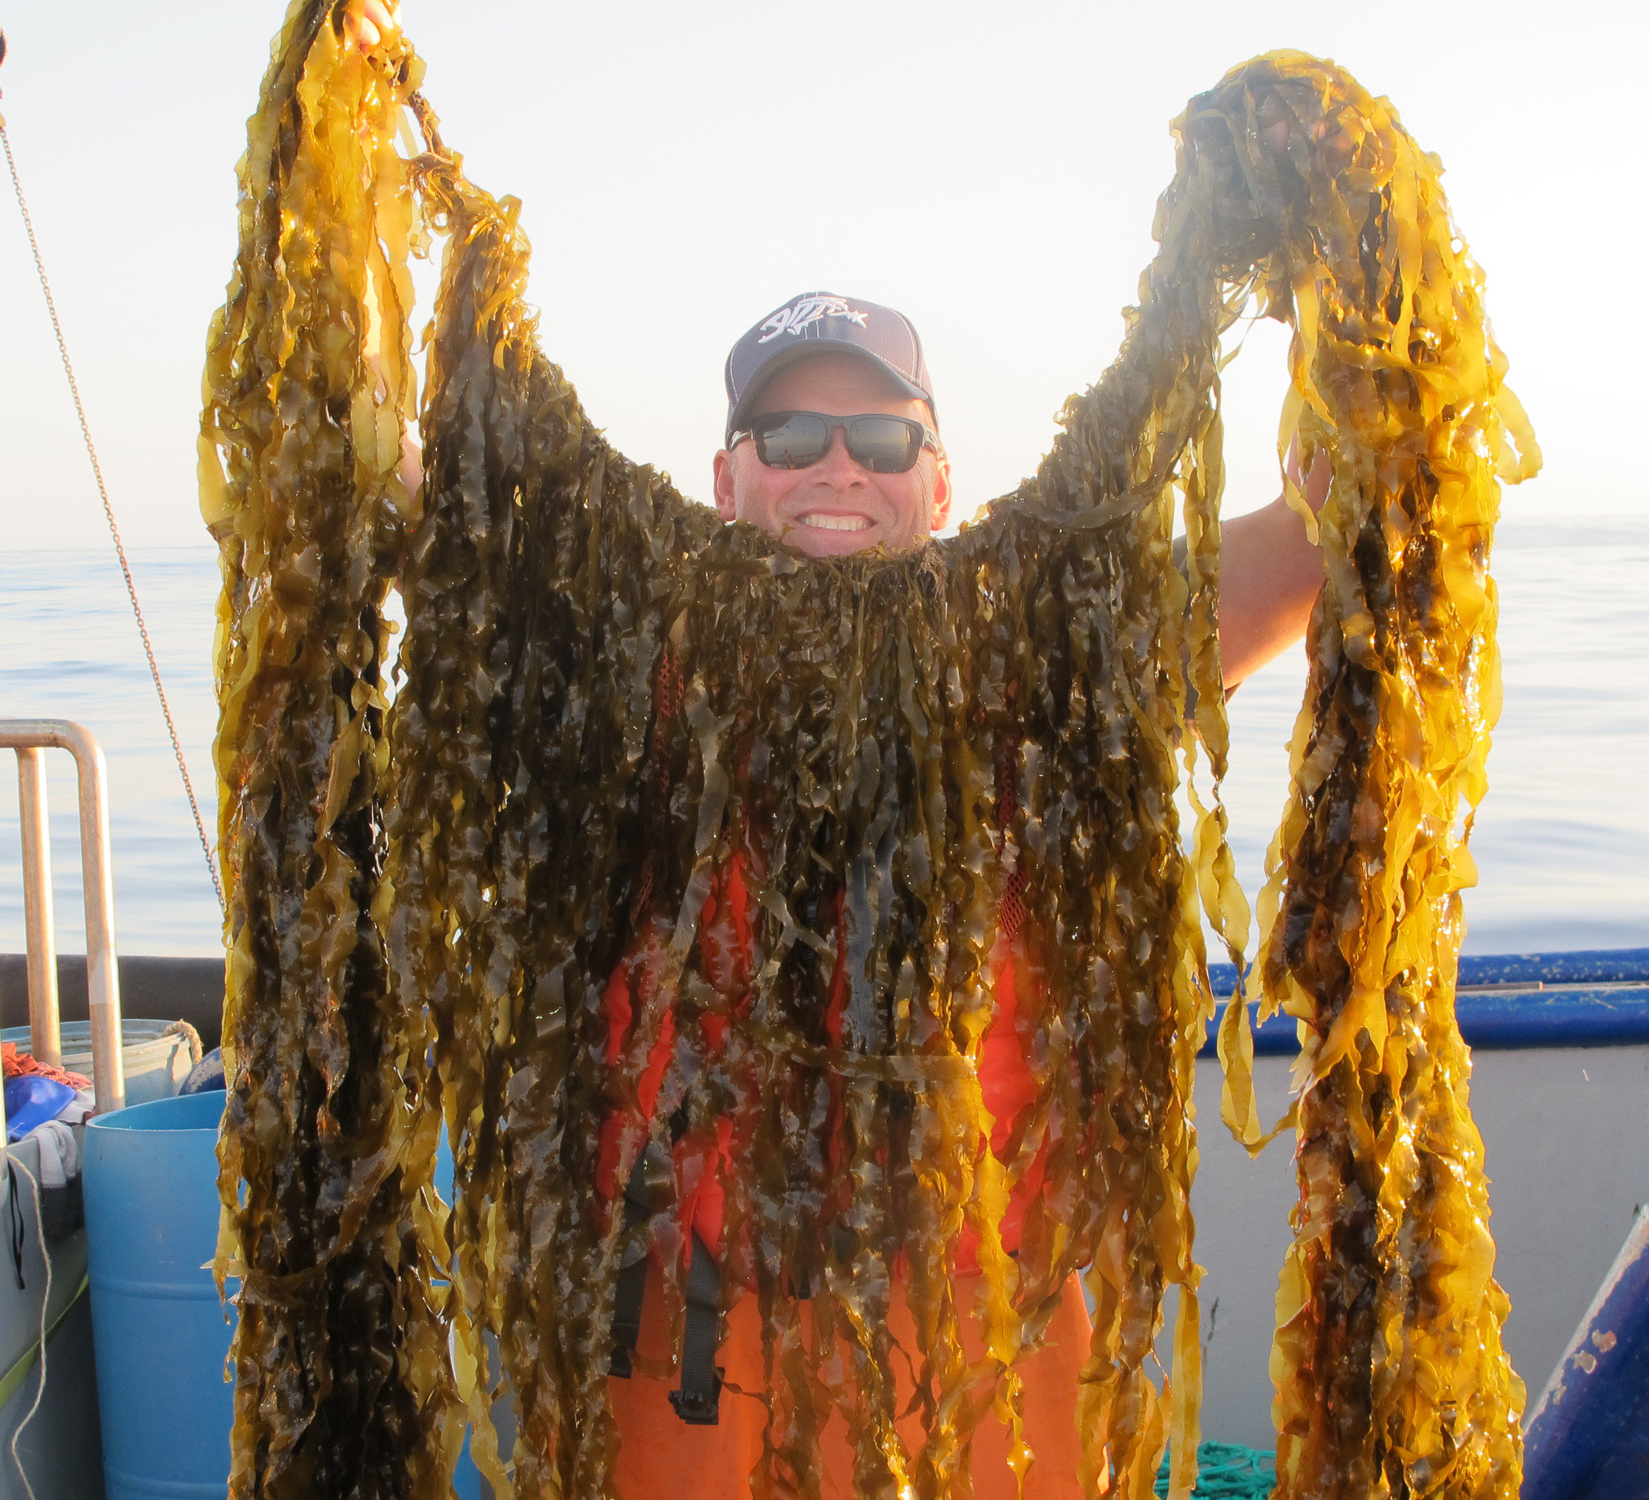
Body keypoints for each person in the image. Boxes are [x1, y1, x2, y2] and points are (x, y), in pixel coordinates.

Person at [346, 11, 1327, 1495]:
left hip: (988, 1298)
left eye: (878, 441)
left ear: (941, 476)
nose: (835, 472)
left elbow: (1320, 532)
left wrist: (1338, 250)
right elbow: (389, 472)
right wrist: (343, 184)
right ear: (725, 474)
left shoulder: (1047, 652)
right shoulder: (620, 651)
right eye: (791, 438)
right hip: (685, 1314)